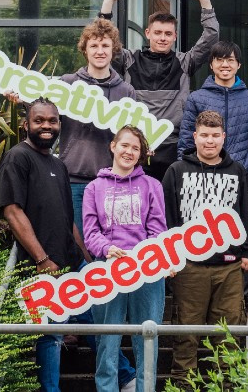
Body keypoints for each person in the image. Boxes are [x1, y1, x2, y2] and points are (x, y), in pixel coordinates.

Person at [4, 19, 139, 391]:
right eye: (93, 44)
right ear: (85, 49)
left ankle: (108, 360)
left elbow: (137, 133)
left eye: (106, 45)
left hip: (111, 186)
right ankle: (90, 348)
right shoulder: (65, 85)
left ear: (113, 50)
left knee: (96, 273)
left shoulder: (125, 89)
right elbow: (41, 118)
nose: (100, 50)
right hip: (75, 182)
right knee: (78, 279)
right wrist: (20, 98)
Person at [0, 97, 90, 392]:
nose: (46, 126)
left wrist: (84, 257)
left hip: (70, 263)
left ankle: (125, 378)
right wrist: (42, 259)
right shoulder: (17, 157)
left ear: (60, 124)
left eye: (52, 121)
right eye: (39, 121)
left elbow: (67, 217)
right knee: (50, 334)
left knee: (94, 320)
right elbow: (13, 211)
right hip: (40, 266)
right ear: (26, 124)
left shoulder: (58, 165)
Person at [163, 110, 248, 385]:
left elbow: (246, 212)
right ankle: (183, 386)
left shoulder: (237, 171)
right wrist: (171, 255)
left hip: (229, 267)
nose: (210, 141)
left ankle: (227, 386)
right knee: (186, 335)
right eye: (204, 135)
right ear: (195, 136)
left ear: (224, 137)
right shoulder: (176, 170)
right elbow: (168, 216)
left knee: (229, 335)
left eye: (216, 136)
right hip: (189, 266)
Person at [83, 125, 168, 392]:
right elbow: (90, 231)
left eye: (135, 148)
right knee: (107, 340)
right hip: (107, 273)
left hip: (146, 272)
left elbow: (158, 230)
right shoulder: (94, 188)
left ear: (141, 154)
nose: (129, 152)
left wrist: (144, 255)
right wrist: (107, 249)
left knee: (147, 340)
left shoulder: (152, 185)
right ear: (113, 146)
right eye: (125, 145)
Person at [101, 0, 219, 180]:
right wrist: (107, 4)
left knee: (172, 204)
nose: (162, 38)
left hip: (174, 144)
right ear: (148, 33)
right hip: (136, 143)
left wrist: (204, 1)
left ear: (175, 36)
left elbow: (211, 37)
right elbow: (103, 39)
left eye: (167, 33)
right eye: (157, 33)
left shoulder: (184, 61)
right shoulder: (130, 59)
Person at [177, 41, 248, 170]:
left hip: (242, 174)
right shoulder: (196, 99)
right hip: (203, 175)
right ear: (211, 64)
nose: (225, 65)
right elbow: (186, 142)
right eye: (219, 60)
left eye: (230, 60)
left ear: (239, 65)